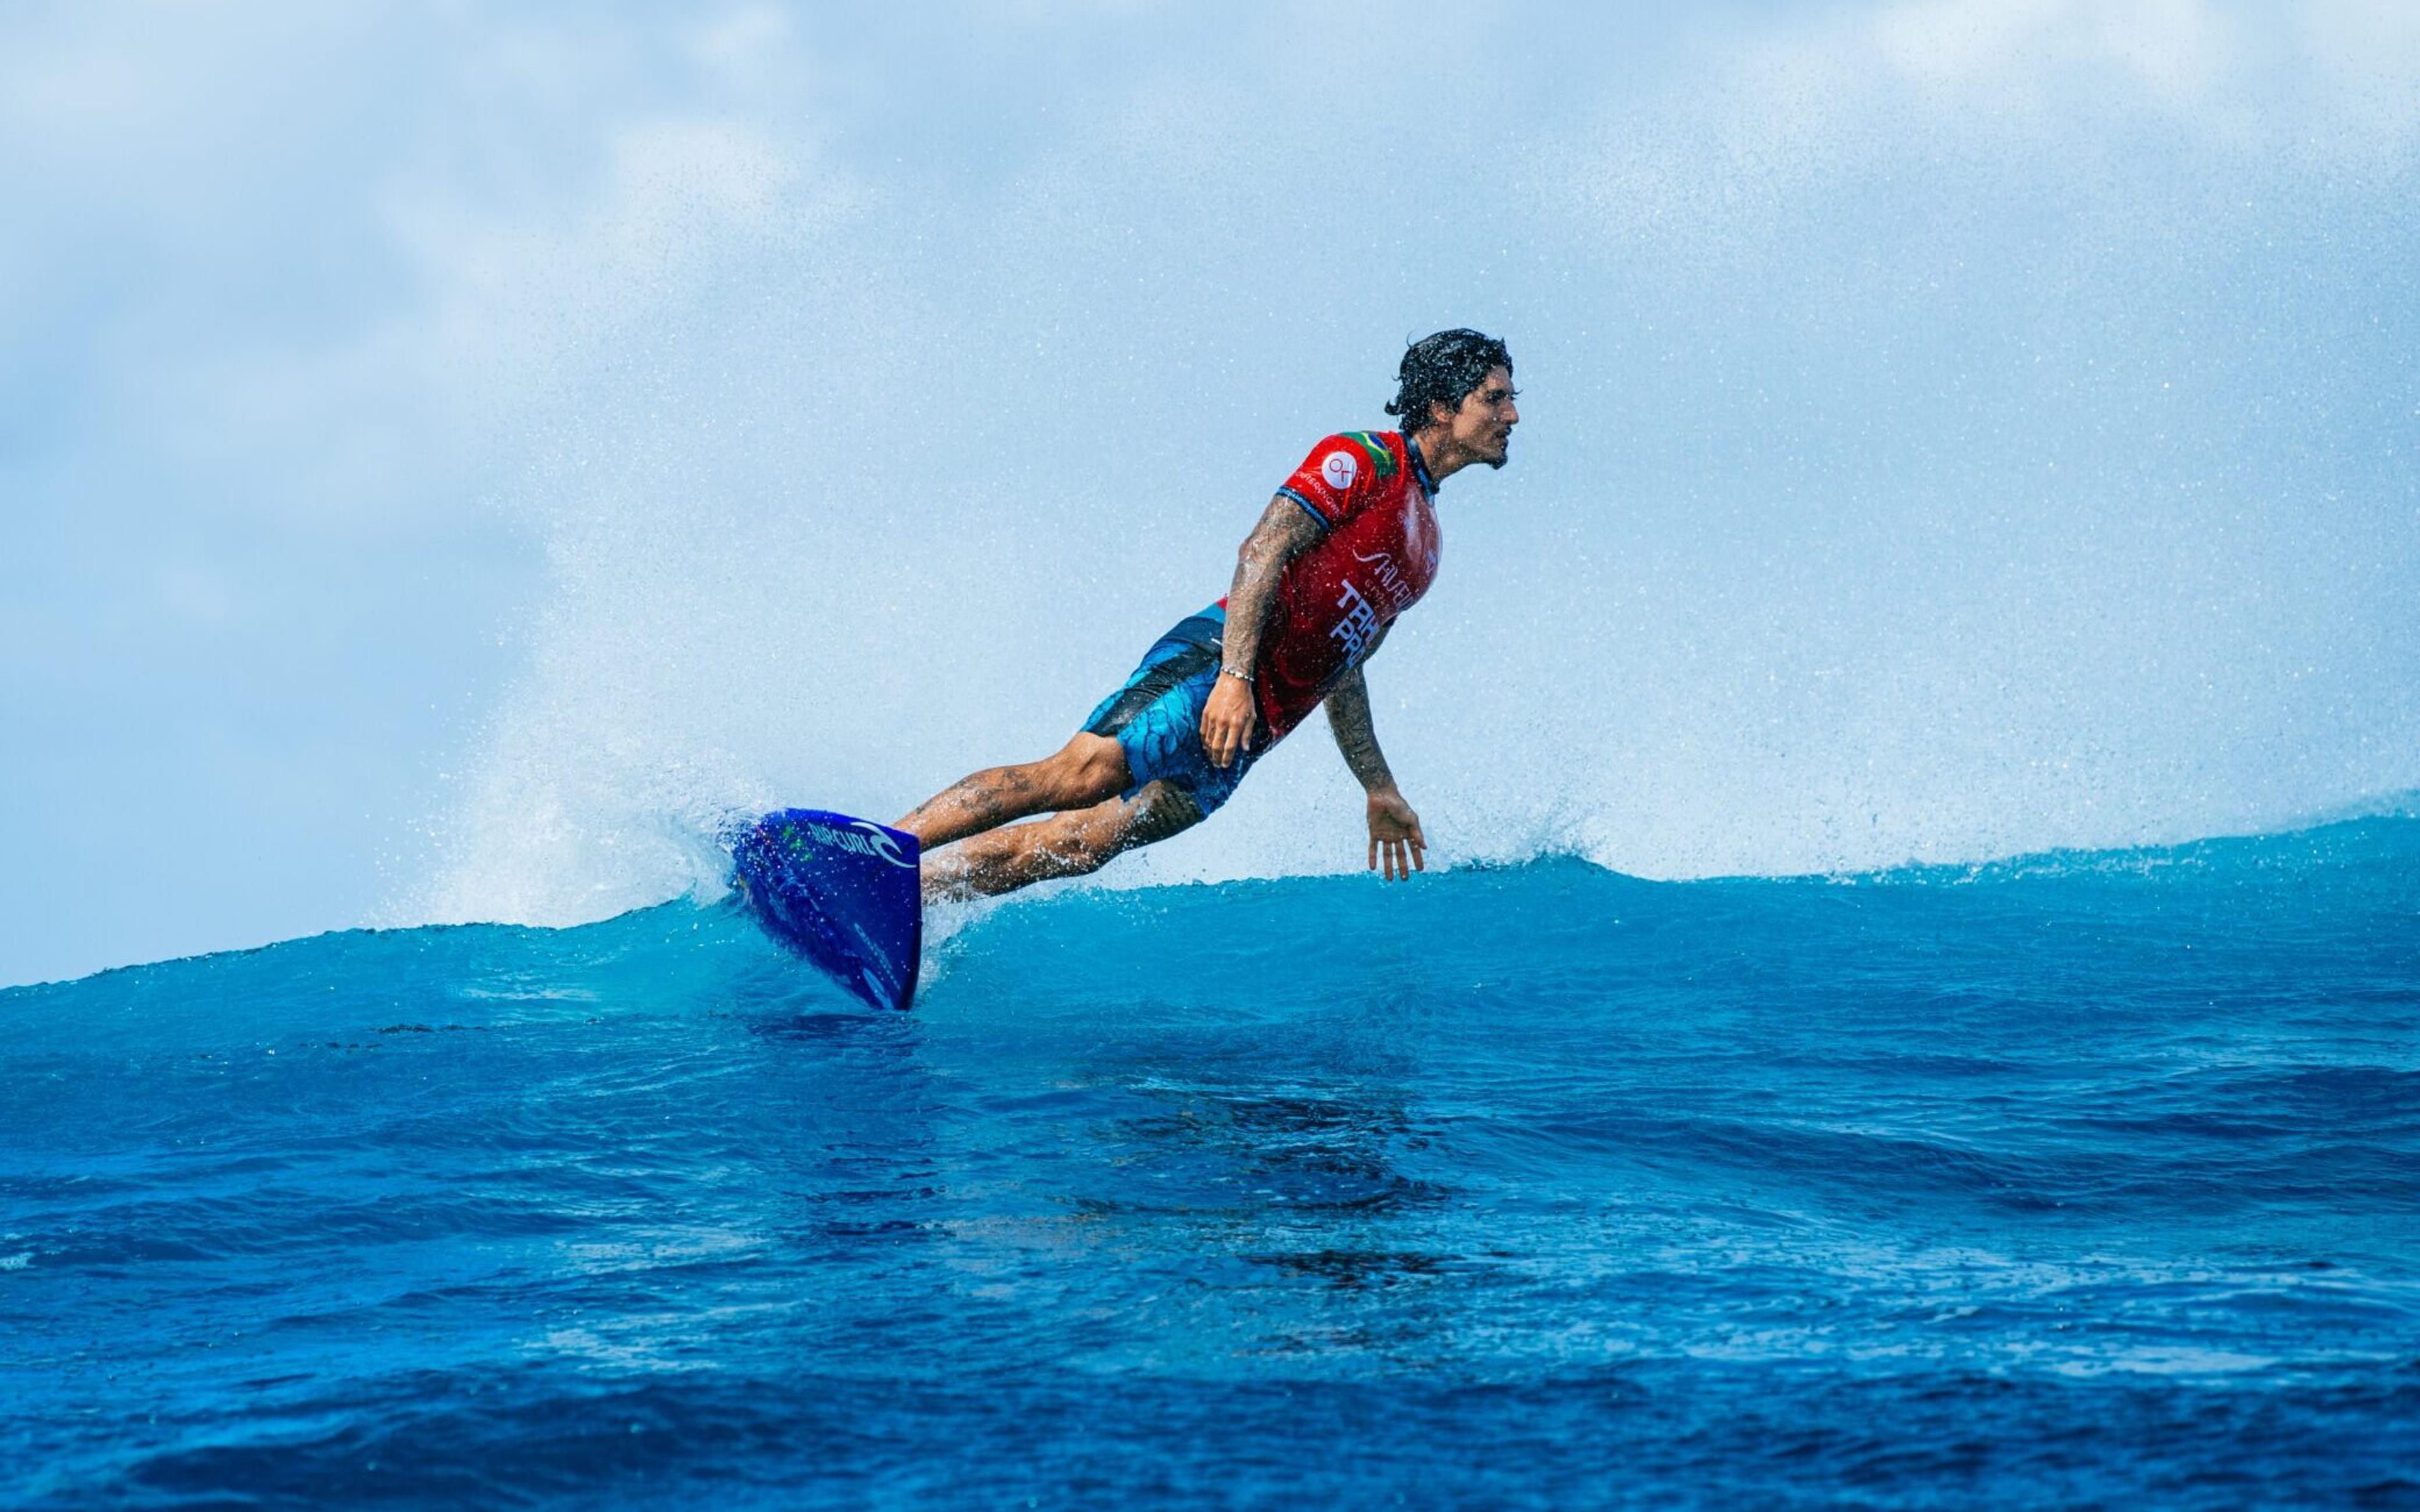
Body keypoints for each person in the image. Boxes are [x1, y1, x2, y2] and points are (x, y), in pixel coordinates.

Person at [896, 328, 1518, 900]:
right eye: (1494, 399)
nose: (1511, 416)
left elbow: (1344, 669)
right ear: (1442, 406)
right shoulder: (1363, 461)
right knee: (1081, 775)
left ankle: (908, 895)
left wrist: (1378, 787)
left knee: (1081, 845)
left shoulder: (1425, 550)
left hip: (1250, 735)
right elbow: (1263, 549)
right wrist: (1234, 679)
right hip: (1216, 666)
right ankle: (880, 850)